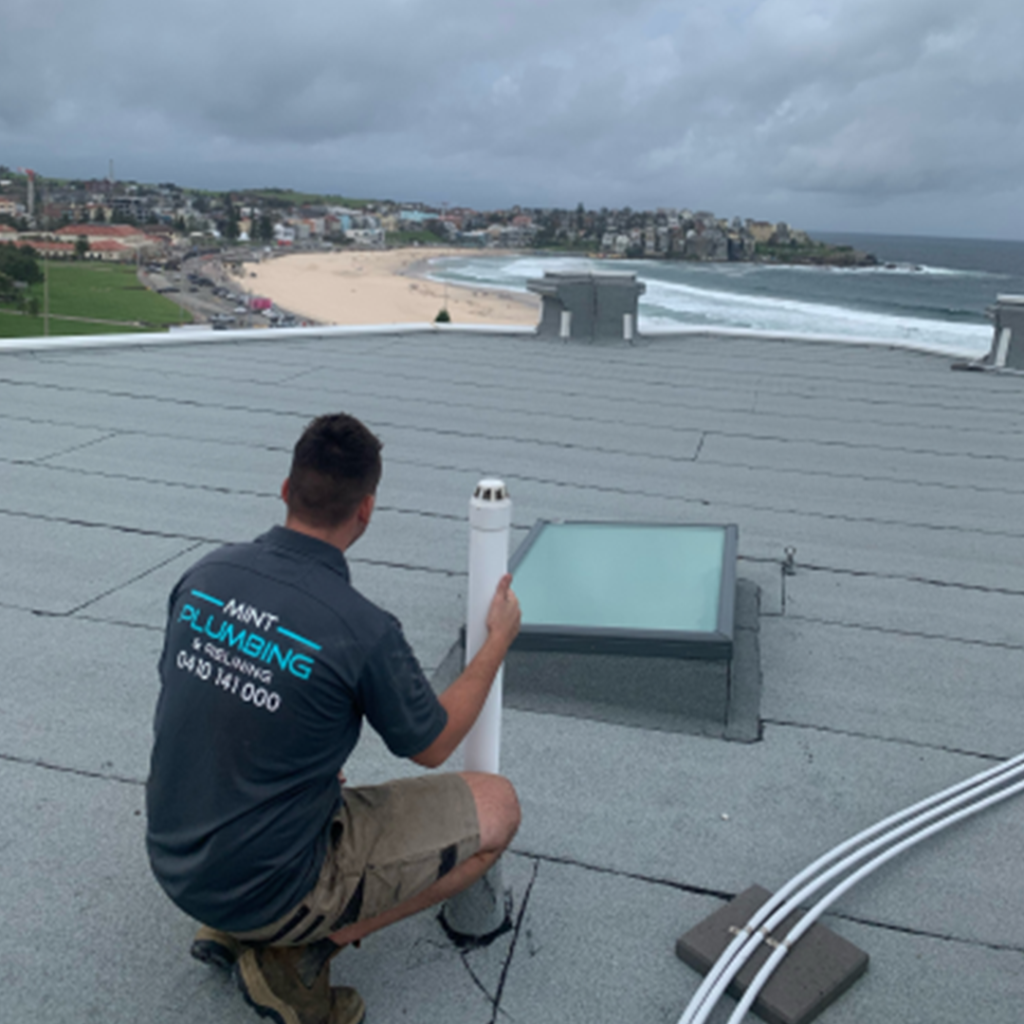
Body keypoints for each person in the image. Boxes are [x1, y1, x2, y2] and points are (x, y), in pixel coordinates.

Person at [146, 413, 521, 1024]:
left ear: (287, 489)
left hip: (172, 858)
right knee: (498, 807)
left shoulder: (207, 575)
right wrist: (497, 641)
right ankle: (300, 952)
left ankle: (228, 925)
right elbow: (433, 744)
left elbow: (204, 703)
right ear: (366, 510)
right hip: (269, 884)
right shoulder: (361, 629)